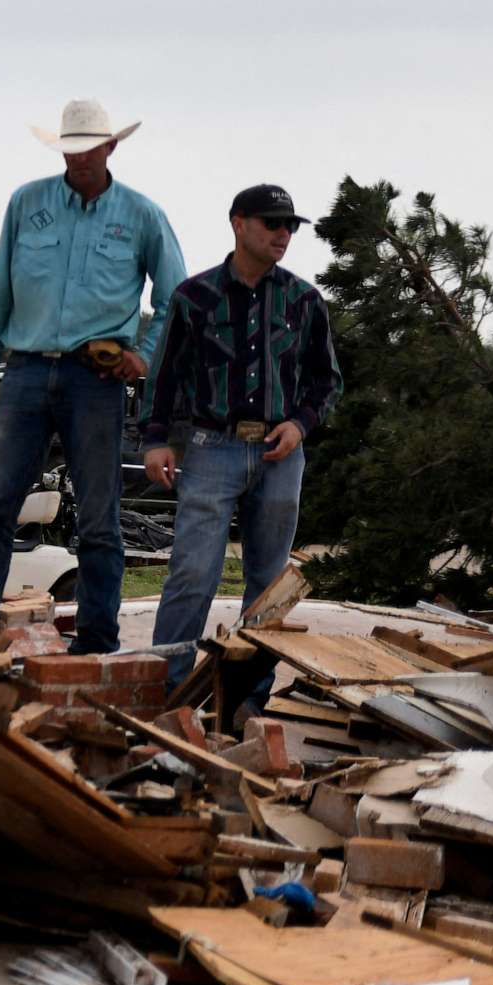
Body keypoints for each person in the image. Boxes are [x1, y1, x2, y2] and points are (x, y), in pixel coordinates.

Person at [0, 99, 188, 654]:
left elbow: (177, 294)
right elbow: (1, 289)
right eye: (71, 150)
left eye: (90, 149)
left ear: (111, 148)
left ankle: (97, 639)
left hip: (96, 380)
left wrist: (146, 354)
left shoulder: (140, 215)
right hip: (27, 372)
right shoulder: (27, 203)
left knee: (99, 517)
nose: (80, 159)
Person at [142, 183, 342, 679]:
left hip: (281, 455)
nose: (283, 234)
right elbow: (163, 374)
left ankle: (246, 700)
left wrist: (300, 425)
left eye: (290, 226)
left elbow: (327, 380)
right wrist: (156, 439)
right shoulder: (194, 298)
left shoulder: (304, 301)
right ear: (238, 222)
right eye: (272, 223)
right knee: (192, 573)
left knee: (268, 583)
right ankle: (166, 690)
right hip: (212, 448)